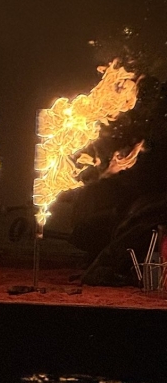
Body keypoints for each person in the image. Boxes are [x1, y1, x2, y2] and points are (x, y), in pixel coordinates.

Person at [66, 76, 167, 286]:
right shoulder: (145, 135)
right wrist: (111, 174)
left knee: (139, 221)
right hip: (136, 205)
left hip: (153, 208)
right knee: (88, 228)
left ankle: (108, 267)